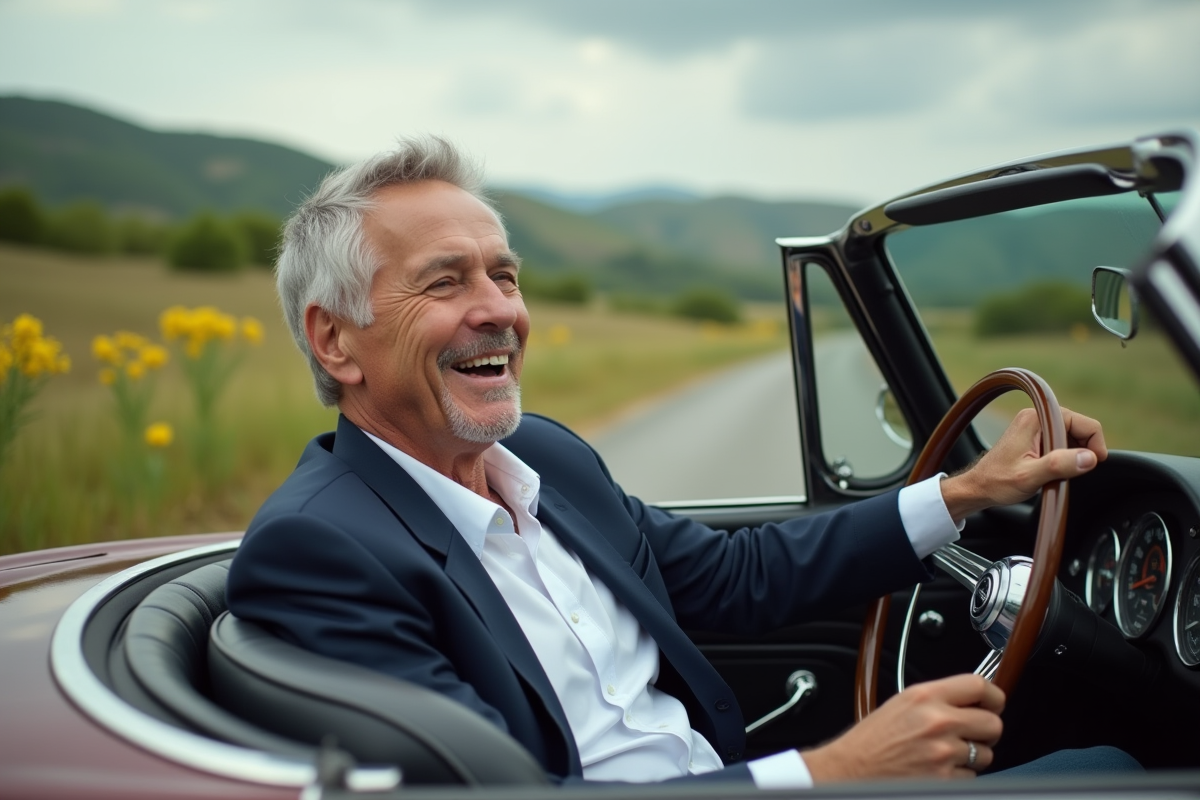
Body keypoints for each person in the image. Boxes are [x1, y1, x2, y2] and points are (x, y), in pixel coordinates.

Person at [226, 136, 1128, 787]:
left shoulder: (540, 454)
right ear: (336, 341)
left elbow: (733, 576)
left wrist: (964, 492)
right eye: (445, 280)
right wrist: (831, 772)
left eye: (505, 274)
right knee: (1125, 772)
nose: (498, 309)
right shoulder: (322, 551)